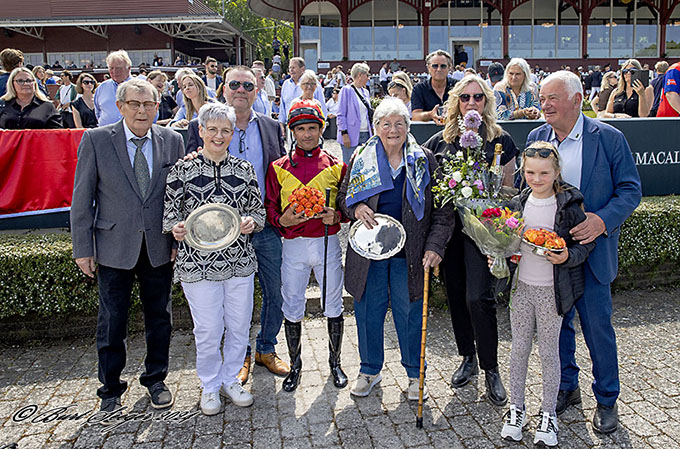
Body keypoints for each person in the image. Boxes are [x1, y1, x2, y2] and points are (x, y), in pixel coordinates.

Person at [527, 70, 641, 434]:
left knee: (598, 331)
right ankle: (566, 387)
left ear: (577, 100)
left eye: (552, 98)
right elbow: (526, 188)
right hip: (550, 255)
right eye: (542, 98)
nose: (544, 104)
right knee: (556, 330)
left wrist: (602, 220)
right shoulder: (536, 137)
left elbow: (630, 190)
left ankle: (607, 401)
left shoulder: (609, 138)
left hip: (594, 255)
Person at [70, 78, 185, 412]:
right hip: (112, 245)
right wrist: (82, 248)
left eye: (148, 104)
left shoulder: (172, 140)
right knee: (112, 321)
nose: (141, 110)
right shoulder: (95, 140)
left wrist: (178, 238)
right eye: (134, 104)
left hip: (157, 245)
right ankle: (109, 388)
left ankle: (156, 379)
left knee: (159, 318)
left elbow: (178, 195)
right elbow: (82, 199)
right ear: (119, 106)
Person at [337, 97, 452, 399]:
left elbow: (442, 209)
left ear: (407, 127)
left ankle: (415, 374)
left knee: (410, 312)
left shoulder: (423, 159)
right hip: (369, 252)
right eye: (385, 123)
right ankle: (370, 369)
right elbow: (342, 199)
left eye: (399, 123)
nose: (393, 129)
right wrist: (357, 207)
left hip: (410, 253)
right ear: (375, 128)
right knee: (368, 311)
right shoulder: (361, 157)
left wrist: (435, 245)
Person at [422, 75, 518, 406]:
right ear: (456, 102)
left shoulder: (500, 140)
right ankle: (467, 357)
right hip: (450, 236)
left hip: (484, 235)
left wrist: (500, 226)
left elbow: (511, 192)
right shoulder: (439, 143)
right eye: (465, 98)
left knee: (479, 299)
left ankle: (491, 368)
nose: (472, 103)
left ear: (487, 102)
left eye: (478, 97)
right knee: (457, 298)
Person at [163, 102, 264, 414]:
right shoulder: (182, 170)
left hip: (239, 263)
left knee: (238, 326)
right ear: (200, 131)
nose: (219, 136)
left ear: (232, 133)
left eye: (226, 130)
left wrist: (250, 222)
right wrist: (177, 228)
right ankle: (209, 384)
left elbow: (258, 212)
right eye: (213, 129)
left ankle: (230, 379)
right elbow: (169, 215)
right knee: (207, 329)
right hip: (198, 265)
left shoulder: (244, 170)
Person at [498, 141, 595, 447]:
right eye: (529, 172)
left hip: (552, 291)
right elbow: (510, 241)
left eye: (543, 173)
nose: (536, 178)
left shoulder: (569, 204)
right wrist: (499, 254)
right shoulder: (520, 201)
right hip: (522, 289)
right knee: (519, 349)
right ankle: (516, 409)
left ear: (556, 172)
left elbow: (586, 244)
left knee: (549, 352)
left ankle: (548, 413)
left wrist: (567, 256)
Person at [265, 100, 348, 392]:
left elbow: (347, 207)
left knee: (333, 303)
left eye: (312, 128)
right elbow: (269, 208)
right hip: (294, 245)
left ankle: (335, 363)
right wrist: (282, 220)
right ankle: (296, 365)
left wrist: (337, 215)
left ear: (321, 129)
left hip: (327, 242)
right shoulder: (278, 168)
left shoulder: (338, 166)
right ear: (292, 131)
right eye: (300, 129)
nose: (307, 134)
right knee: (293, 305)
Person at [219, 66, 289, 383]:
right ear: (224, 89)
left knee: (276, 291)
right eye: (234, 84)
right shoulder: (208, 126)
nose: (241, 90)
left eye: (247, 85)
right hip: (225, 230)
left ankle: (265, 348)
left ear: (256, 90)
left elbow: (285, 174)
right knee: (234, 299)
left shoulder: (273, 127)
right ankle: (240, 355)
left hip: (265, 225)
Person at [336, 62, 373, 164]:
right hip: (350, 134)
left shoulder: (365, 92)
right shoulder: (346, 90)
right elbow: (341, 114)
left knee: (365, 164)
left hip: (366, 133)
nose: (368, 77)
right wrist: (344, 133)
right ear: (360, 75)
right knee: (349, 165)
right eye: (367, 75)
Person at [279, 57, 327, 133]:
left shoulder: (313, 84)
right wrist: (281, 124)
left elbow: (322, 107)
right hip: (291, 127)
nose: (291, 70)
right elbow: (283, 106)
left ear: (302, 69)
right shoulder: (286, 84)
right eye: (290, 68)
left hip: (309, 128)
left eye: (294, 67)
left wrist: (321, 129)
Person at [411, 49, 456, 125]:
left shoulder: (458, 86)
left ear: (449, 68)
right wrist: (430, 114)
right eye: (435, 66)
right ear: (428, 68)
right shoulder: (419, 89)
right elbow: (415, 116)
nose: (439, 69)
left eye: (443, 66)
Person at [95, 50, 133, 126]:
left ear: (128, 68)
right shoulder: (102, 87)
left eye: (118, 68)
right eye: (111, 68)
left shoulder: (140, 87)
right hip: (106, 133)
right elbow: (97, 112)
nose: (114, 71)